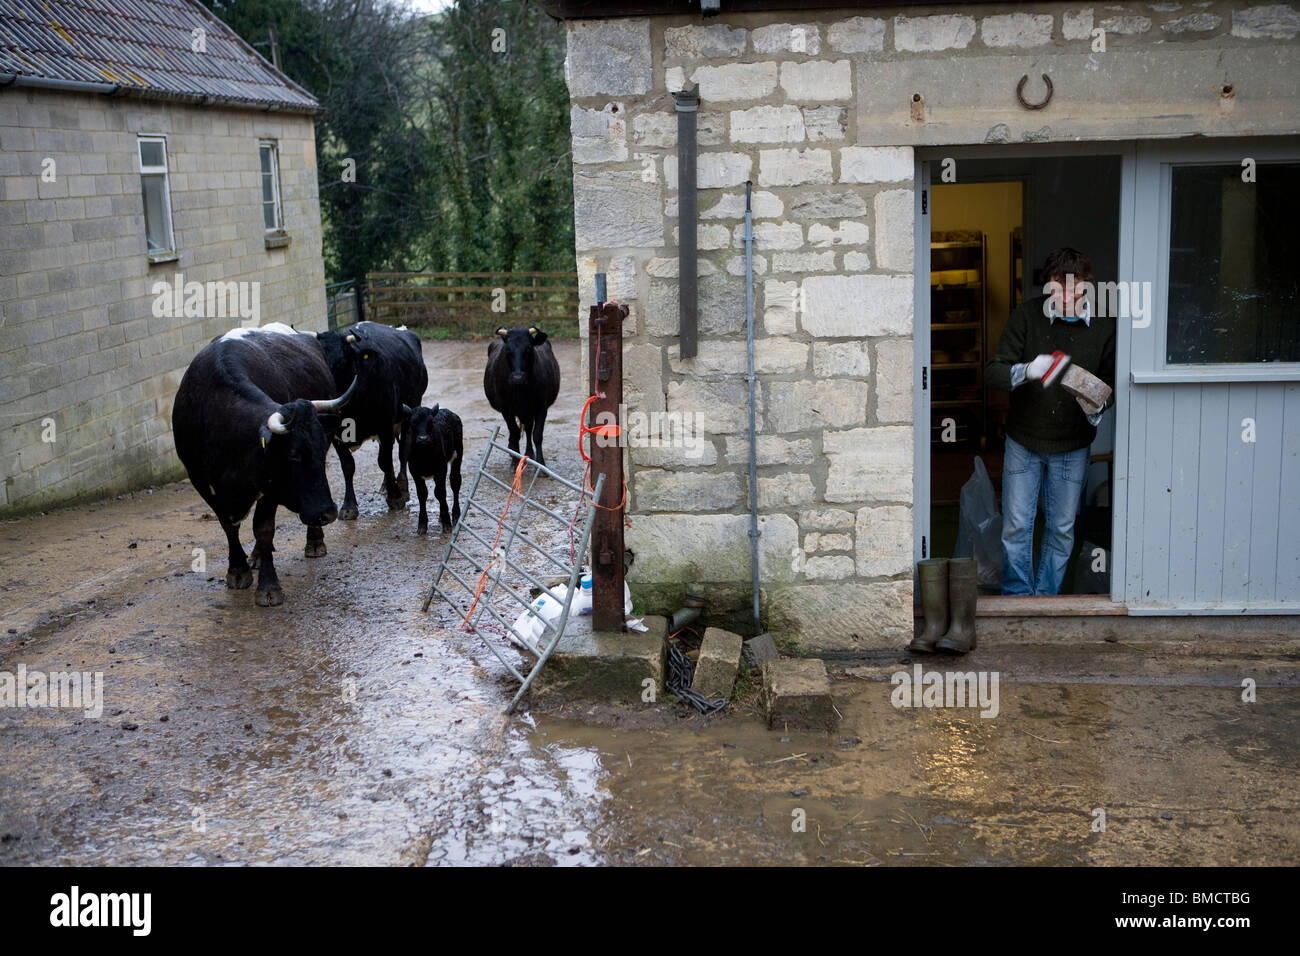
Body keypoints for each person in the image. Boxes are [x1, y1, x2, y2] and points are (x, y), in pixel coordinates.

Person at [985, 247, 1116, 596]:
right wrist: (1026, 370)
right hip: (1024, 439)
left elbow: (1111, 383)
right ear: (1047, 288)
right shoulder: (1027, 316)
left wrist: (1097, 405)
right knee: (1016, 526)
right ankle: (1017, 598)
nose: (1066, 299)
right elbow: (993, 372)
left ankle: (1046, 599)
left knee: (1061, 529)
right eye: (1057, 291)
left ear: (1088, 286)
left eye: (1075, 291)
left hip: (1073, 444)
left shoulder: (1105, 326)